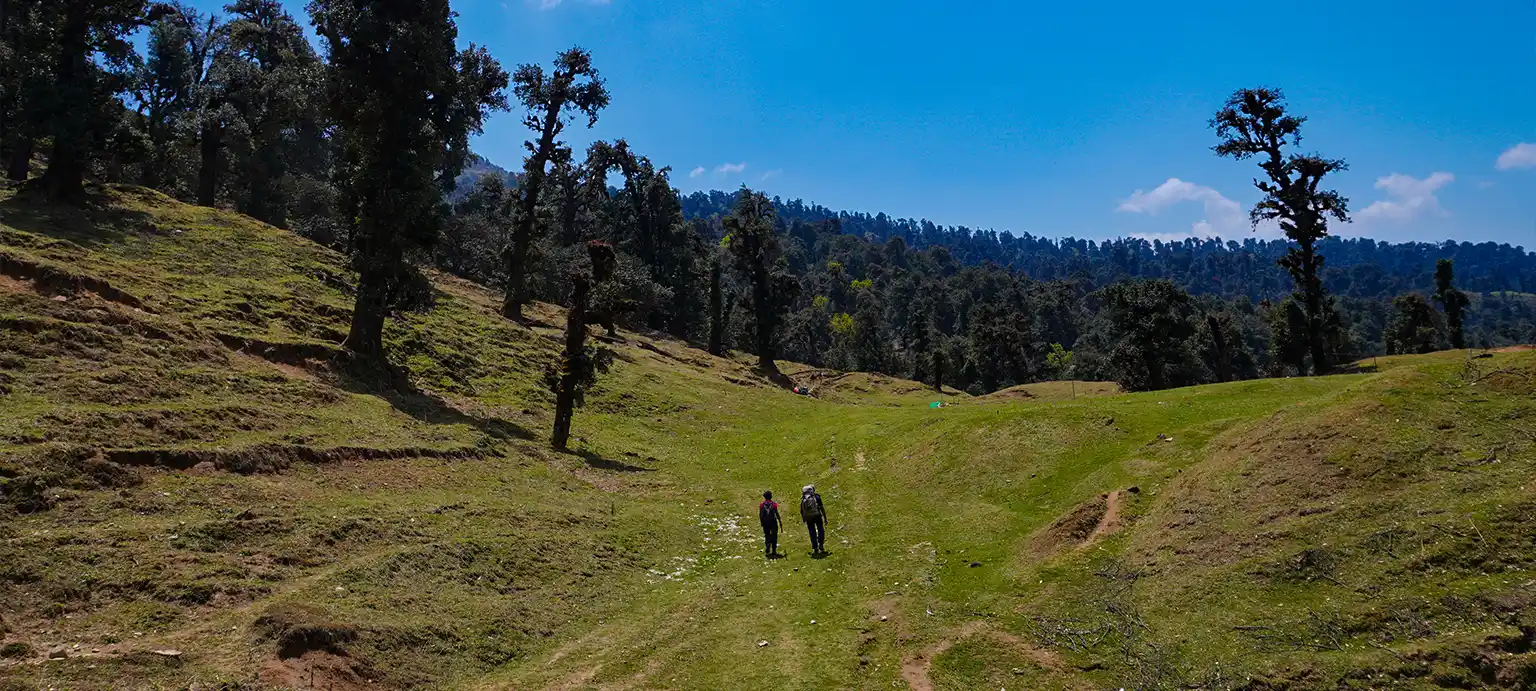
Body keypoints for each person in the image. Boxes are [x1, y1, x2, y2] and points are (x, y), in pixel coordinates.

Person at [800, 484, 827, 554]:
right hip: (817, 516)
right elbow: (821, 508)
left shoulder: (803, 499)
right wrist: (825, 518)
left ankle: (815, 548)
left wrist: (804, 518)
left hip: (809, 518)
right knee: (820, 529)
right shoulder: (817, 497)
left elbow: (802, 510)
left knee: (812, 532)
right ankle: (821, 544)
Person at [758, 490, 782, 557]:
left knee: (767, 534)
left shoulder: (762, 505)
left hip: (765, 522)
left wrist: (762, 522)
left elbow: (760, 515)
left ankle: (768, 546)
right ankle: (774, 549)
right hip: (773, 521)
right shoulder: (774, 504)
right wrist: (780, 521)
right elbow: (776, 513)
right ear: (771, 496)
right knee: (774, 535)